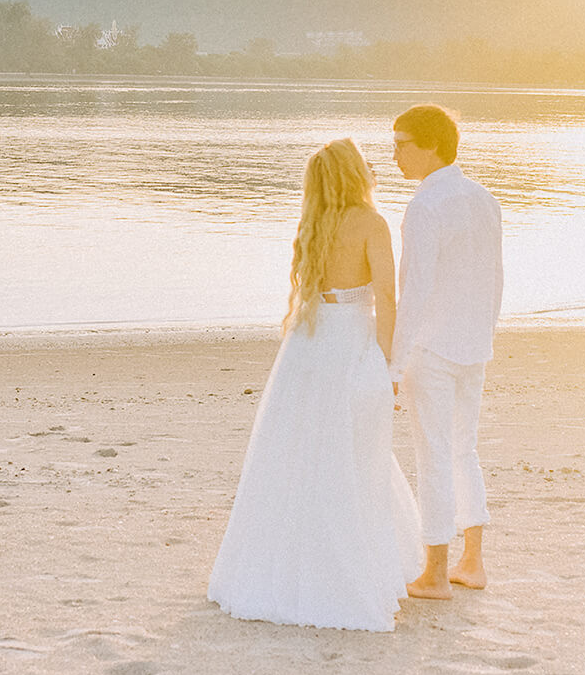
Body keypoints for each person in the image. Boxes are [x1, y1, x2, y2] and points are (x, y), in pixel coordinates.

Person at [208, 138, 422, 631]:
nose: (375, 166)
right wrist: (390, 363)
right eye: (367, 163)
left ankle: (279, 568)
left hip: (307, 345)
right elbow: (388, 297)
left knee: (298, 452)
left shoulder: (313, 222)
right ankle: (348, 568)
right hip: (350, 343)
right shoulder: (372, 223)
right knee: (353, 453)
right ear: (354, 174)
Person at [390, 104, 503, 600]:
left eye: (401, 143)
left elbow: (414, 290)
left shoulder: (426, 205)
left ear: (432, 144)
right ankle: (471, 563)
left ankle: (435, 573)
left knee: (433, 455)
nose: (394, 155)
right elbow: (494, 278)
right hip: (474, 344)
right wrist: (486, 333)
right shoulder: (484, 198)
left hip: (431, 348)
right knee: (463, 450)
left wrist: (394, 360)